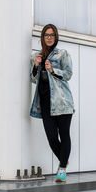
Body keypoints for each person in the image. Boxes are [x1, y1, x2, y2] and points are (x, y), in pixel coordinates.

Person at [29, 24, 75, 182]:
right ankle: (64, 158)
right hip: (45, 104)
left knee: (64, 135)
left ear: (56, 37)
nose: (49, 37)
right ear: (42, 38)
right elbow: (33, 79)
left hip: (62, 102)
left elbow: (68, 74)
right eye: (46, 35)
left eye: (52, 35)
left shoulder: (62, 54)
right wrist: (36, 66)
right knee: (52, 138)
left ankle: (62, 169)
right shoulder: (37, 56)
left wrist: (52, 70)